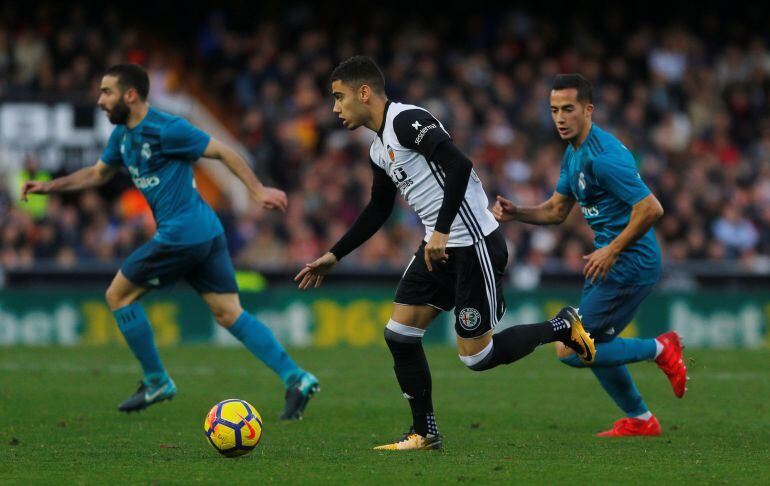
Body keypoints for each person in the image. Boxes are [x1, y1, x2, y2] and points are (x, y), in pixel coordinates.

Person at [294, 56, 595, 450]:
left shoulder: (406, 120)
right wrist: (336, 254)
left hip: (472, 244)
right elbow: (379, 209)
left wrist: (439, 230)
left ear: (363, 92)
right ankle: (424, 432)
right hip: (438, 249)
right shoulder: (378, 148)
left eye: (339, 97)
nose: (334, 108)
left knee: (477, 358)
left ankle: (561, 326)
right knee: (399, 335)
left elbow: (458, 165)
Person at [22, 63, 318, 419]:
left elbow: (222, 151)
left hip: (183, 234)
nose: (99, 100)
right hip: (205, 233)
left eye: (106, 92)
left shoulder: (167, 128)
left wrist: (256, 190)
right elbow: (98, 173)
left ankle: (156, 379)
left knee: (118, 295)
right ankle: (296, 377)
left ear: (130, 95)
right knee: (228, 312)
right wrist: (49, 186)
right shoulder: (122, 137)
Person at [493, 73, 688, 437]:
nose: (560, 118)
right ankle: (641, 420)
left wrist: (612, 250)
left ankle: (660, 348)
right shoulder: (574, 153)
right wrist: (517, 212)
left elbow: (651, 208)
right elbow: (555, 211)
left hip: (628, 263)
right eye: (554, 110)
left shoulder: (603, 158)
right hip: (611, 263)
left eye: (568, 109)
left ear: (588, 110)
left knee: (571, 347)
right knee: (593, 343)